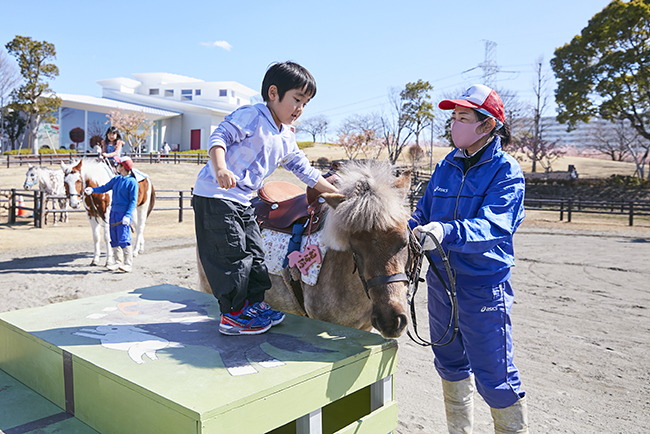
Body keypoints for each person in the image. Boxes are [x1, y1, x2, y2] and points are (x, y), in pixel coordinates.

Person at [409, 84, 528, 433]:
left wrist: (447, 232)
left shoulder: (506, 171)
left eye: (463, 118)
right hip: (441, 284)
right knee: (448, 363)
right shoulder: (446, 166)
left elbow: (495, 225)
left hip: (483, 286)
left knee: (495, 376)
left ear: (488, 125)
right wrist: (404, 232)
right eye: (453, 118)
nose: (454, 125)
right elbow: (422, 213)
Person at [193, 61, 338, 336]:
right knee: (233, 255)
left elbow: (304, 170)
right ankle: (233, 315)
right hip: (216, 195)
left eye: (305, 103)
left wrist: (333, 193)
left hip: (243, 200)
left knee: (255, 253)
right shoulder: (252, 116)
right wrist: (221, 167)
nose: (300, 109)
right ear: (274, 93)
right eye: (297, 99)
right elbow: (219, 136)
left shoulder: (286, 135)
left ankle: (254, 306)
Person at [85, 156, 138, 273]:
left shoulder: (132, 182)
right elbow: (105, 187)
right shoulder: (116, 179)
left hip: (123, 214)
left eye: (118, 165)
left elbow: (133, 201)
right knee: (114, 238)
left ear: (123, 167)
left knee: (124, 239)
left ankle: (128, 263)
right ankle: (117, 262)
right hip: (113, 212)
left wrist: (128, 215)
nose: (116, 166)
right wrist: (93, 190)